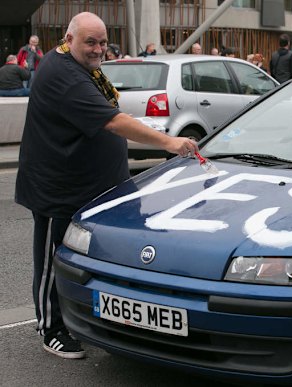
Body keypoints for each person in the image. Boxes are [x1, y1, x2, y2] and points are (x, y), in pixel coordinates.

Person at [15, 11, 198, 360]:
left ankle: (89, 316)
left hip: (97, 187)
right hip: (61, 189)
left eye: (102, 41)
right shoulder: (64, 75)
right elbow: (112, 121)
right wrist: (169, 142)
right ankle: (51, 328)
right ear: (70, 40)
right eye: (90, 42)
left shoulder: (81, 67)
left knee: (95, 259)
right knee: (55, 260)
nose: (99, 49)